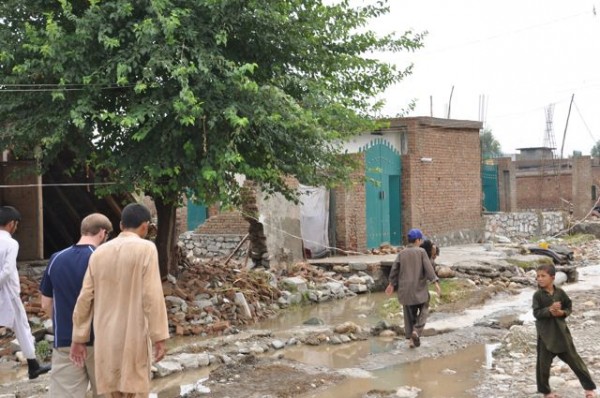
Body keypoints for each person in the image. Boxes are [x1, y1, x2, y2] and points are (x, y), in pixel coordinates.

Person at [70, 203, 169, 398]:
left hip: (105, 339)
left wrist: (78, 338)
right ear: (145, 226)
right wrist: (159, 336)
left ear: (121, 225)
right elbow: (153, 295)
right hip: (134, 336)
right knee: (136, 390)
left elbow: (85, 298)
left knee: (112, 392)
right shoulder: (146, 249)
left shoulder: (98, 253)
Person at [39, 213, 113, 397]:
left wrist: (64, 325)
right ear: (103, 233)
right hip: (100, 342)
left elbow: (46, 303)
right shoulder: (102, 258)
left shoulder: (56, 258)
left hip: (65, 341)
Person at [0, 205, 51, 379]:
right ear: (11, 223)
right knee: (22, 326)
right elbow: (6, 271)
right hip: (8, 292)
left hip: (6, 291)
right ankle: (33, 365)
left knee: (22, 327)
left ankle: (33, 364)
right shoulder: (11, 243)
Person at [532, 264, 597, 398]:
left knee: (576, 362)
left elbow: (568, 307)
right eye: (538, 276)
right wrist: (549, 310)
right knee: (542, 367)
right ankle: (546, 392)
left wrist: (562, 313)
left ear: (552, 277)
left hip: (561, 334)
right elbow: (536, 313)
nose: (540, 279)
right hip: (545, 336)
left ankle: (589, 389)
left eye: (543, 276)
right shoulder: (538, 295)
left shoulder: (560, 293)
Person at [385, 228, 440, 348]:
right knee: (424, 306)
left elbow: (394, 269)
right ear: (418, 240)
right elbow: (428, 267)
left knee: (409, 314)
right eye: (421, 240)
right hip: (419, 289)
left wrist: (391, 284)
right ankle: (416, 331)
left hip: (405, 291)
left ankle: (410, 340)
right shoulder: (421, 252)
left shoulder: (402, 253)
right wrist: (435, 281)